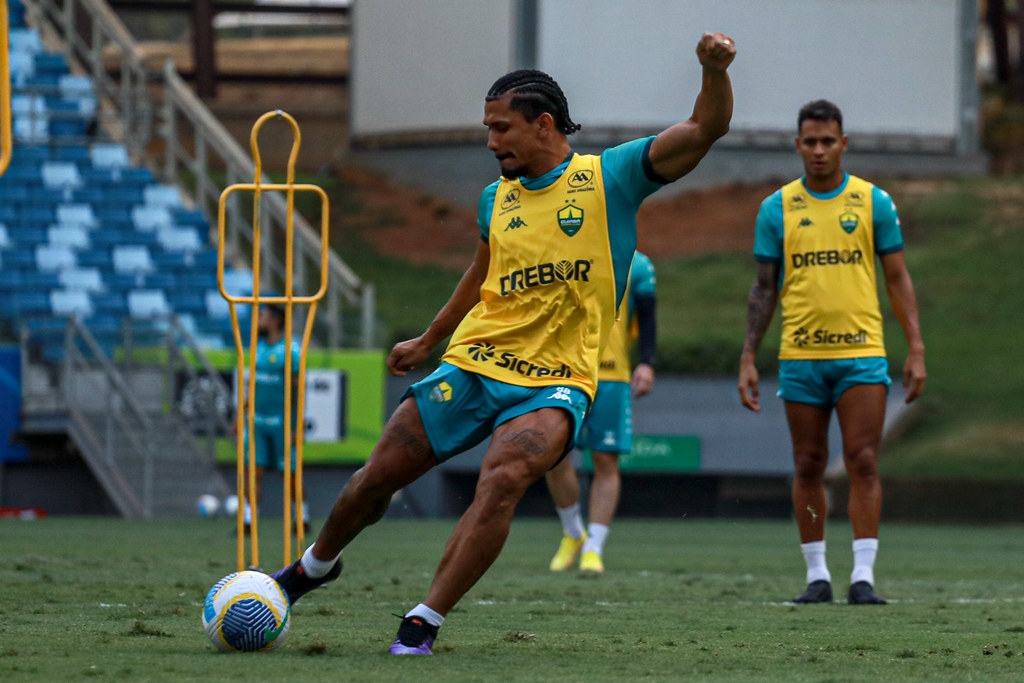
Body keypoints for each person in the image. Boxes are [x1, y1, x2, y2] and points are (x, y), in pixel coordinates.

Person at [270, 32, 735, 655]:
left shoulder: (612, 178)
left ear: (543, 125)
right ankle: (315, 567)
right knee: (377, 476)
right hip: (474, 362)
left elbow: (705, 128)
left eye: (500, 128)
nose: (491, 143)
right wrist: (431, 339)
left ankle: (424, 620)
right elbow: (481, 273)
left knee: (504, 476)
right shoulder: (496, 199)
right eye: (487, 129)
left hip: (558, 379)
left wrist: (712, 70)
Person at [737, 100, 926, 605]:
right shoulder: (777, 208)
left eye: (828, 141)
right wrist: (749, 356)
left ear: (844, 143)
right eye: (810, 142)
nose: (819, 150)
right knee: (808, 464)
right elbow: (763, 288)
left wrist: (916, 348)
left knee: (863, 460)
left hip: (862, 353)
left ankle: (863, 576)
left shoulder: (872, 203)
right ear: (797, 146)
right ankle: (817, 574)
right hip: (801, 355)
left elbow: (897, 277)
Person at [546, 251, 657, 574]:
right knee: (553, 455)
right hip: (562, 371)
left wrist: (647, 363)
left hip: (611, 375)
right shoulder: (566, 249)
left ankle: (593, 546)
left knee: (606, 460)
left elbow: (648, 316)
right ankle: (572, 532)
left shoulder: (637, 264)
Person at [238, 303, 309, 534]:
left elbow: (299, 390)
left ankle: (301, 518)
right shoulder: (257, 347)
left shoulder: (291, 351)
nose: (258, 320)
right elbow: (252, 385)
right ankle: (249, 521)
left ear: (276, 321)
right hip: (257, 421)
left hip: (282, 423)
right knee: (252, 471)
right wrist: (242, 413)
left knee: (288, 473)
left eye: (264, 316)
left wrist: (296, 425)